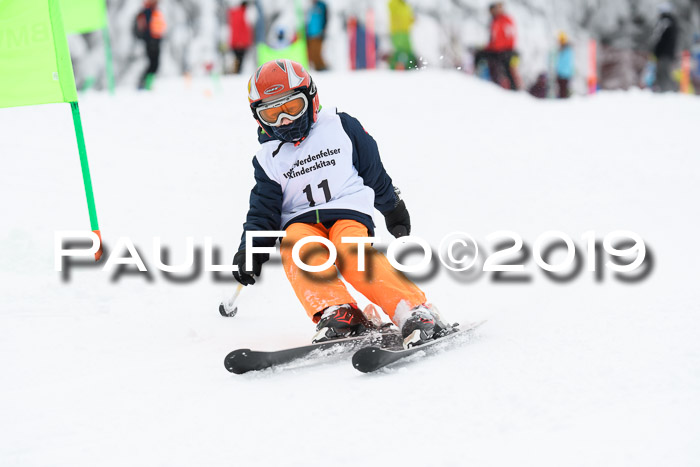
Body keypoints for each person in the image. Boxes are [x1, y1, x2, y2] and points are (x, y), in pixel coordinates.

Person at [233, 59, 448, 345]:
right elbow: (262, 211)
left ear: (311, 98)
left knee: (351, 252)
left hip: (347, 212)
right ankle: (339, 311)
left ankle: (411, 309)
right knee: (296, 247)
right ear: (259, 118)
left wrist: (392, 207)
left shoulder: (341, 127)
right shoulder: (267, 159)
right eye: (272, 113)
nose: (284, 120)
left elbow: (374, 172)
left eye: (292, 107)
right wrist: (251, 250)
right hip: (299, 222)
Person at [474, 2, 519, 90]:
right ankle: (481, 79)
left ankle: (514, 89)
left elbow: (510, 36)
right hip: (495, 50)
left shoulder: (506, 20)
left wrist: (503, 47)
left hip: (506, 50)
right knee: (480, 56)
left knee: (507, 69)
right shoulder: (494, 21)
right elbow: (493, 39)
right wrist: (487, 47)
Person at [133, 0, 167, 90]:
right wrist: (149, 40)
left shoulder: (155, 11)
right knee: (153, 64)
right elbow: (144, 29)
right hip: (151, 42)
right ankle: (144, 83)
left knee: (155, 64)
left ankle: (147, 83)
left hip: (156, 41)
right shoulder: (146, 12)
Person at [650, 2, 678, 93]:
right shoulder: (672, 22)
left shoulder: (664, 22)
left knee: (663, 73)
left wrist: (655, 51)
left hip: (663, 54)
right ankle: (667, 90)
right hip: (668, 53)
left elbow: (658, 39)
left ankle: (667, 90)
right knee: (664, 72)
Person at [388, 0, 418, 70]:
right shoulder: (394, 3)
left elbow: (407, 18)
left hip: (406, 31)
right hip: (397, 31)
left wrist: (412, 20)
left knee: (408, 50)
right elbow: (390, 5)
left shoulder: (406, 6)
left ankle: (410, 66)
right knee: (399, 50)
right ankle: (394, 67)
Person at [227, 1, 254, 74]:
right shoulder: (245, 14)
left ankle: (235, 71)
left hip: (234, 42)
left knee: (237, 59)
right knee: (240, 60)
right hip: (242, 43)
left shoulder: (234, 13)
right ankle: (237, 72)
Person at [306, 0, 328, 71]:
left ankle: (322, 68)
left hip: (318, 33)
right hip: (310, 34)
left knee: (317, 52)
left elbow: (326, 18)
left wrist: (323, 30)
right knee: (311, 53)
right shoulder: (310, 6)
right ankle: (317, 68)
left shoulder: (322, 5)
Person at [556, 31, 574, 98]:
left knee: (563, 90)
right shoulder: (562, 49)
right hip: (561, 73)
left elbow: (565, 62)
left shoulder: (566, 50)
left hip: (565, 74)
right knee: (562, 90)